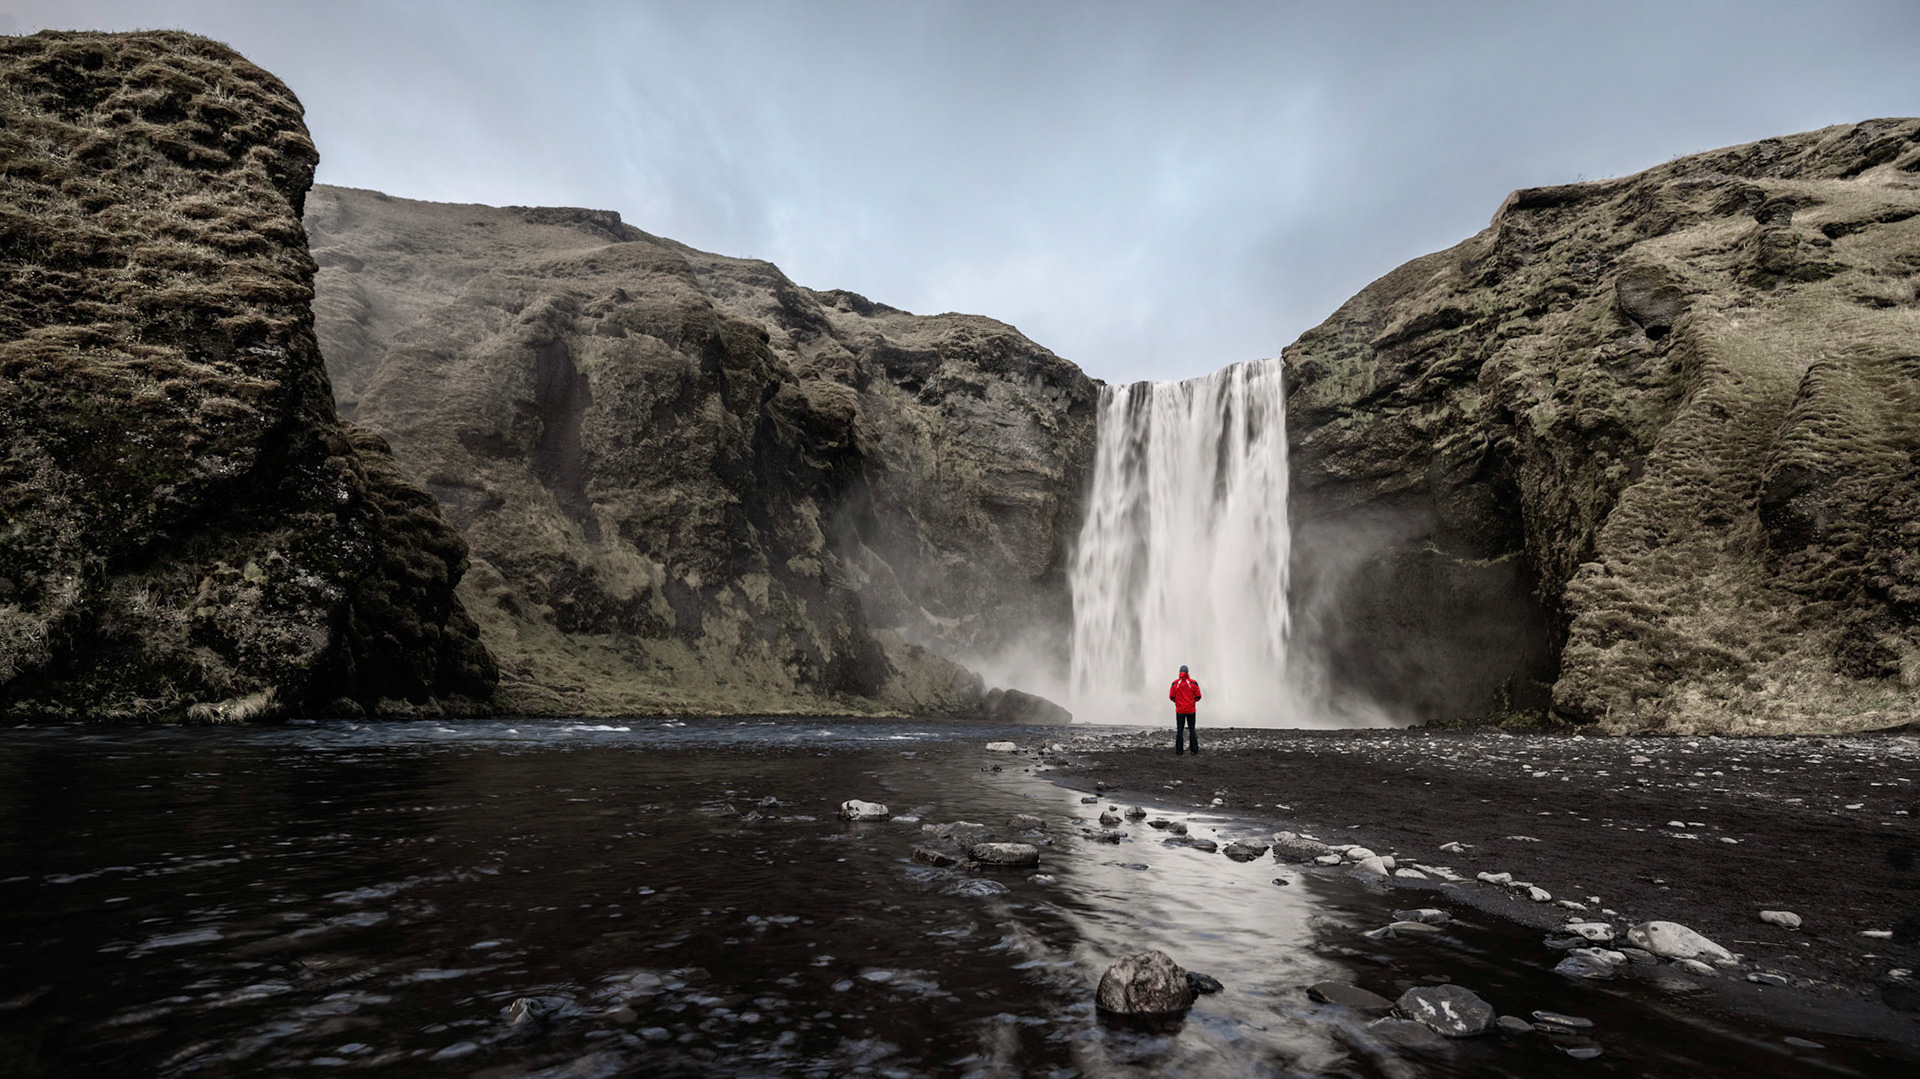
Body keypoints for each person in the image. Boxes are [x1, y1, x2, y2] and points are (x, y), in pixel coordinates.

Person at [1169, 664, 1202, 756]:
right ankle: (1194, 750)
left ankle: (1179, 751)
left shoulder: (1175, 684)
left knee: (1180, 730)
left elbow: (1171, 697)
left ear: (1179, 673)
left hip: (1180, 710)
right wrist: (1191, 702)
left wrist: (1178, 702)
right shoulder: (1193, 683)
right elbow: (1198, 696)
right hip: (1191, 710)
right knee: (1192, 729)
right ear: (1188, 673)